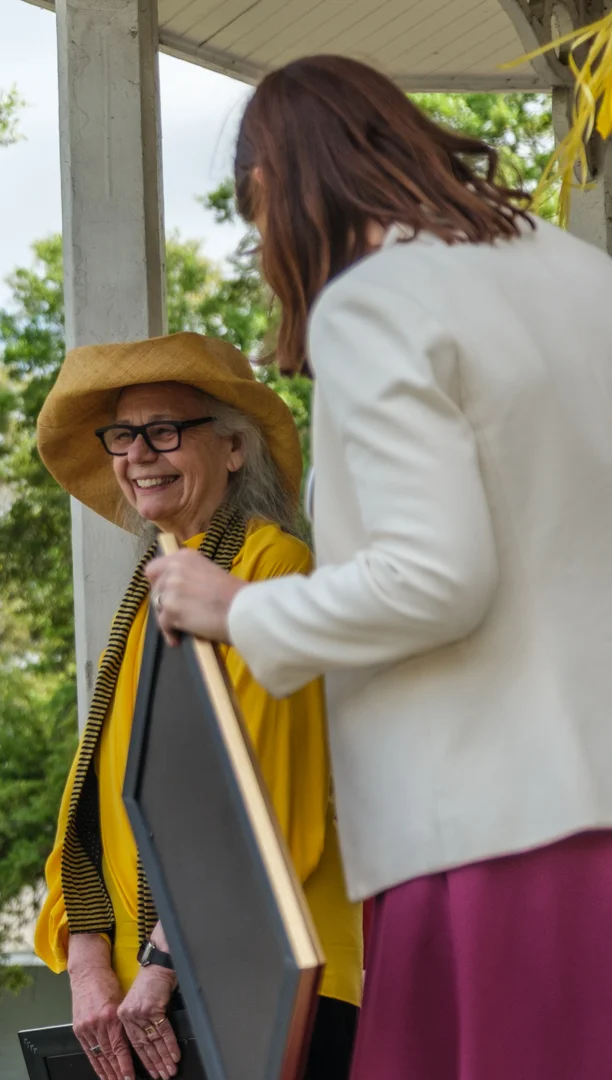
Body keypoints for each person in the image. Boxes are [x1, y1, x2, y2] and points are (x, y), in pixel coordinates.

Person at [144, 56, 612, 1080]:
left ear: (273, 186)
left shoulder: (375, 300)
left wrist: (238, 610)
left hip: (497, 830)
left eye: (250, 213)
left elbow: (435, 577)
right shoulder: (579, 273)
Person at [32, 332, 362, 1080]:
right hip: (154, 989)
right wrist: (88, 960)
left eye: (166, 430)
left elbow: (261, 790)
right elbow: (98, 798)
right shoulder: (150, 593)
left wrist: (163, 959)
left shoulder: (271, 565)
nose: (138, 454)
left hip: (267, 973)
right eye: (122, 434)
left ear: (235, 449)